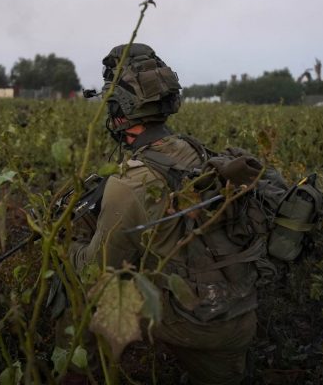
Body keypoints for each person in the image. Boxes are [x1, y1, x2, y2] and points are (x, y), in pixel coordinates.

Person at [68, 43, 263, 385]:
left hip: (195, 323)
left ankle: (76, 371)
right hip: (240, 311)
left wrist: (71, 242)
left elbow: (96, 273)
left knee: (76, 281)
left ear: (119, 110)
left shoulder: (130, 183)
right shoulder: (193, 149)